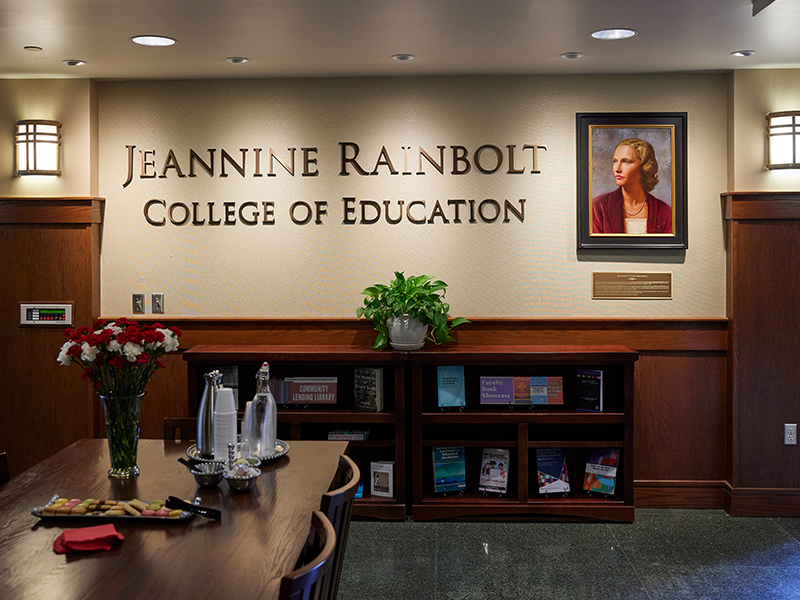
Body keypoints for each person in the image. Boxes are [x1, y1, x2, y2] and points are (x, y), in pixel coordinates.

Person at [591, 138, 672, 234]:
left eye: (626, 162)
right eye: (615, 161)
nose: (617, 169)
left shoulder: (663, 211)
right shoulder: (599, 207)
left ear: (644, 166)